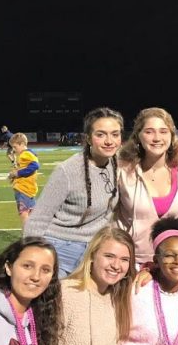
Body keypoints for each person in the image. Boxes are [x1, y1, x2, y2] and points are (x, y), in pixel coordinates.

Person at [24, 107, 124, 276]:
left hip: (96, 250)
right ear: (88, 138)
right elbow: (38, 219)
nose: (109, 141)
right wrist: (31, 260)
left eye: (115, 134)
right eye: (100, 134)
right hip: (61, 249)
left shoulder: (119, 162)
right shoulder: (67, 170)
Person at [116, 107, 178, 266]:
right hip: (129, 260)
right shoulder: (122, 171)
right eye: (149, 132)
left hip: (170, 262)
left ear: (172, 136)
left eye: (164, 131)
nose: (157, 138)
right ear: (138, 136)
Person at [8, 133, 40, 227]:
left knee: (24, 213)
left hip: (23, 189)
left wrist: (18, 173)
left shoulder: (25, 154)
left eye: (15, 146)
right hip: (28, 189)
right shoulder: (27, 153)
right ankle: (32, 235)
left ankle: (27, 237)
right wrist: (14, 175)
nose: (14, 149)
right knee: (30, 214)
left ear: (22, 144)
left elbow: (35, 166)